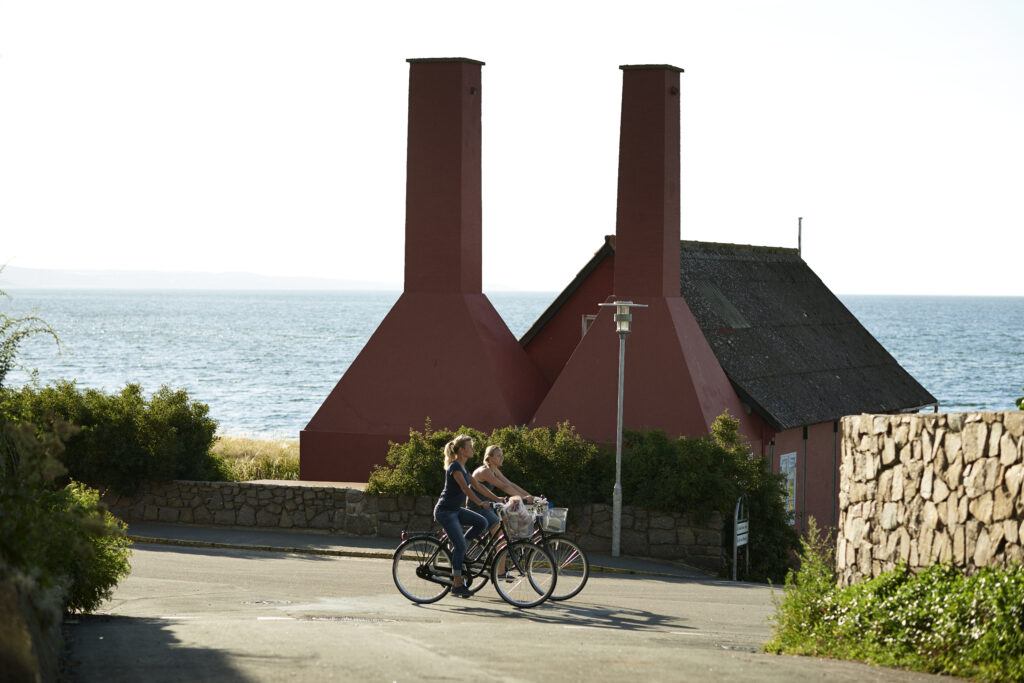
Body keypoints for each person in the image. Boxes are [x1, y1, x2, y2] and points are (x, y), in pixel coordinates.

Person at [433, 434, 500, 598]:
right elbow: (465, 488)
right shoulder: (455, 467)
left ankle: (461, 550)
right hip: (445, 512)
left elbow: (478, 486)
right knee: (460, 546)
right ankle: (457, 584)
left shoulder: (464, 467)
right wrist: (480, 503)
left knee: (482, 522)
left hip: (456, 510)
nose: (472, 449)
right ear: (462, 450)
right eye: (470, 447)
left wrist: (498, 499)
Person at [469, 445, 536, 533]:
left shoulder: (494, 470)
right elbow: (504, 487)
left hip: (489, 505)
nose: (502, 458)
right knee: (500, 532)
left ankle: (504, 540)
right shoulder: (485, 471)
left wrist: (530, 497)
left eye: (502, 455)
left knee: (510, 524)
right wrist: (523, 497)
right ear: (489, 458)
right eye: (499, 456)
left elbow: (510, 484)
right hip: (478, 506)